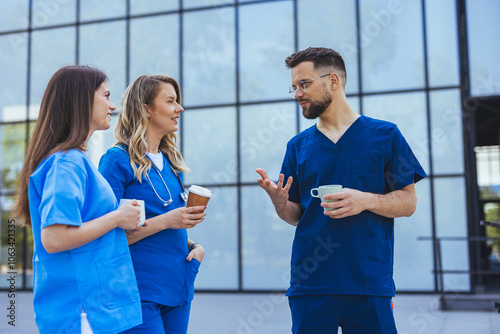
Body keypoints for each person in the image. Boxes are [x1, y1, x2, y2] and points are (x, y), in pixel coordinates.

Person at [256, 47, 427, 334]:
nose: (297, 93)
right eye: (294, 86)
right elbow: (295, 216)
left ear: (333, 81)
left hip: (368, 282)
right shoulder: (297, 146)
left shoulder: (386, 135)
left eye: (304, 84)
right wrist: (280, 202)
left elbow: (409, 203)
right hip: (311, 284)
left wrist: (365, 200)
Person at [11, 65, 143, 334]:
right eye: (106, 95)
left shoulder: (74, 161)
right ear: (82, 99)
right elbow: (55, 238)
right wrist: (117, 217)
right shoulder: (67, 163)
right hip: (82, 312)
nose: (112, 105)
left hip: (87, 308)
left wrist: (118, 215)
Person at [98, 74, 206, 334]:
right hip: (138, 291)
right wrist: (168, 221)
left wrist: (194, 248)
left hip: (178, 286)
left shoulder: (172, 164)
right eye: (170, 101)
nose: (179, 108)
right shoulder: (116, 161)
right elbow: (104, 236)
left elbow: (167, 222)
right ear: (146, 108)